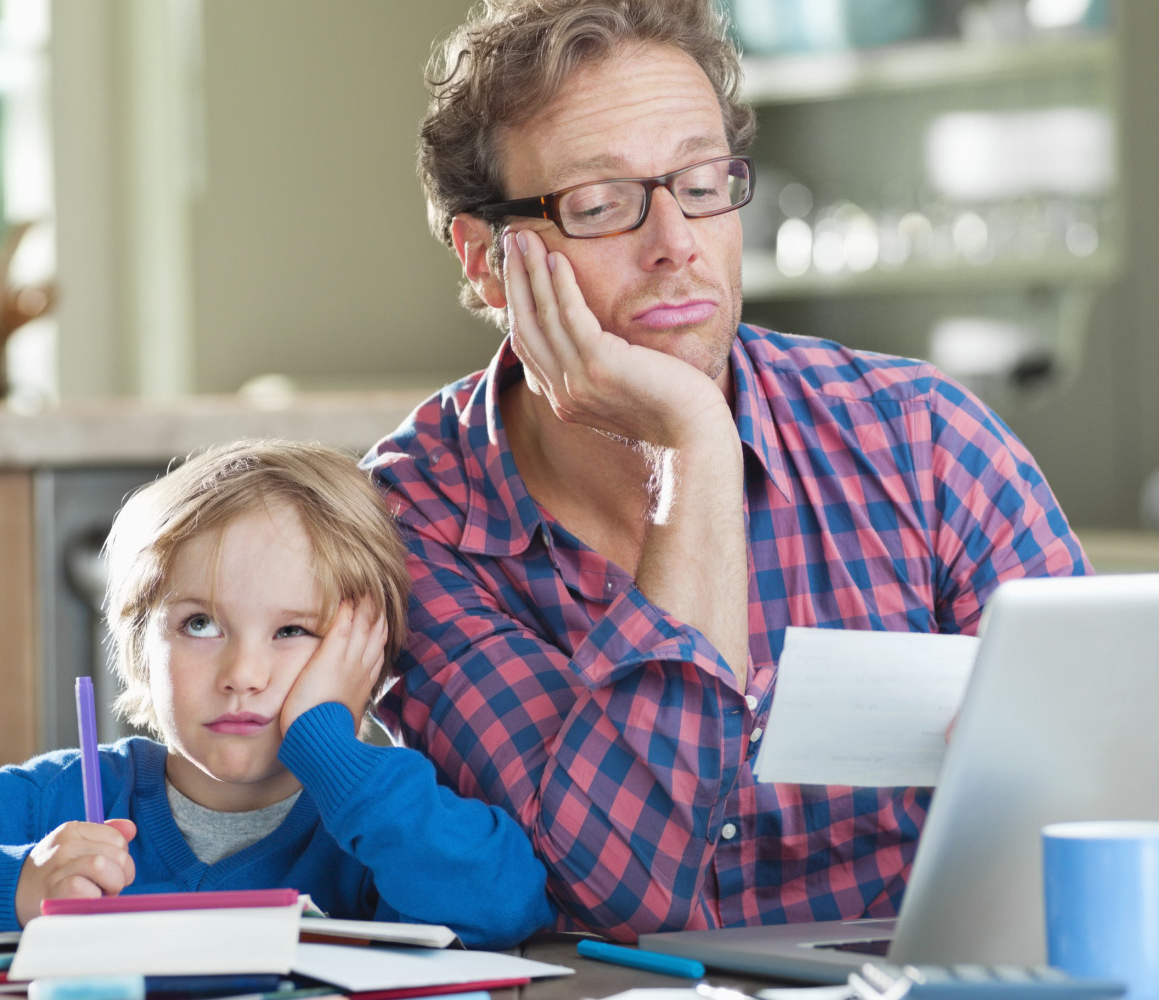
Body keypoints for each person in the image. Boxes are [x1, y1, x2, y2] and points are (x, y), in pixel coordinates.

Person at [363, 0, 1089, 942]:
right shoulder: (409, 526)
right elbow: (624, 894)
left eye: (703, 184)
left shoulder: (925, 443)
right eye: (600, 204)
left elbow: (1105, 799)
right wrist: (697, 448)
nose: (676, 242)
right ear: (488, 262)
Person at [0, 440, 552, 951]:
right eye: (201, 623)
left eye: (292, 633)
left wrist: (331, 748)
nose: (243, 673)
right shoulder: (65, 800)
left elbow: (504, 905)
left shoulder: (376, 818)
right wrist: (15, 884)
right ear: (137, 647)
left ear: (367, 658)